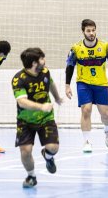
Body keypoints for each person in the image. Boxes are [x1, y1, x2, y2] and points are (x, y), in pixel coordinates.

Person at [12, 48, 63, 188]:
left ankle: (48, 156)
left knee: (53, 147)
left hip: (46, 118)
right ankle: (31, 176)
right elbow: (21, 101)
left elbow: (50, 83)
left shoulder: (45, 72)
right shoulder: (19, 79)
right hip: (25, 120)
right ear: (34, 63)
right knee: (26, 151)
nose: (44, 60)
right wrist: (41, 107)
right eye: (42, 58)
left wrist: (57, 98)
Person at [65, 19, 108, 152]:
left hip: (101, 84)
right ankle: (87, 141)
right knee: (86, 109)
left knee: (105, 114)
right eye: (88, 31)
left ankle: (107, 131)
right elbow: (70, 66)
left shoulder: (105, 46)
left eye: (93, 30)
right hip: (83, 83)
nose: (91, 33)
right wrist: (67, 85)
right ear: (83, 32)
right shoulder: (76, 48)